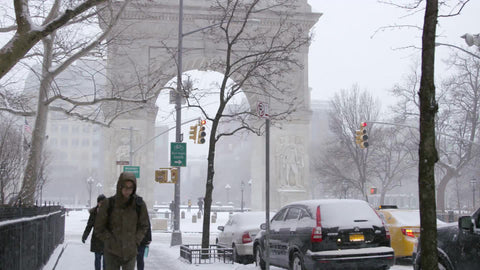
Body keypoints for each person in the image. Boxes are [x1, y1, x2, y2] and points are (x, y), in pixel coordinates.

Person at [95, 172, 150, 270]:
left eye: (130, 188)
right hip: (111, 252)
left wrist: (136, 240)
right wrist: (109, 240)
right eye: (125, 187)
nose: (127, 191)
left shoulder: (139, 205)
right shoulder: (109, 203)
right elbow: (99, 227)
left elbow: (144, 225)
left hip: (130, 252)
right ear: (119, 186)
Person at [82, 194, 107, 270]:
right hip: (97, 239)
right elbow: (89, 226)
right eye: (100, 203)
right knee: (97, 258)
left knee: (106, 261)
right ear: (98, 203)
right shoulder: (94, 213)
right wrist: (85, 236)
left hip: (107, 239)